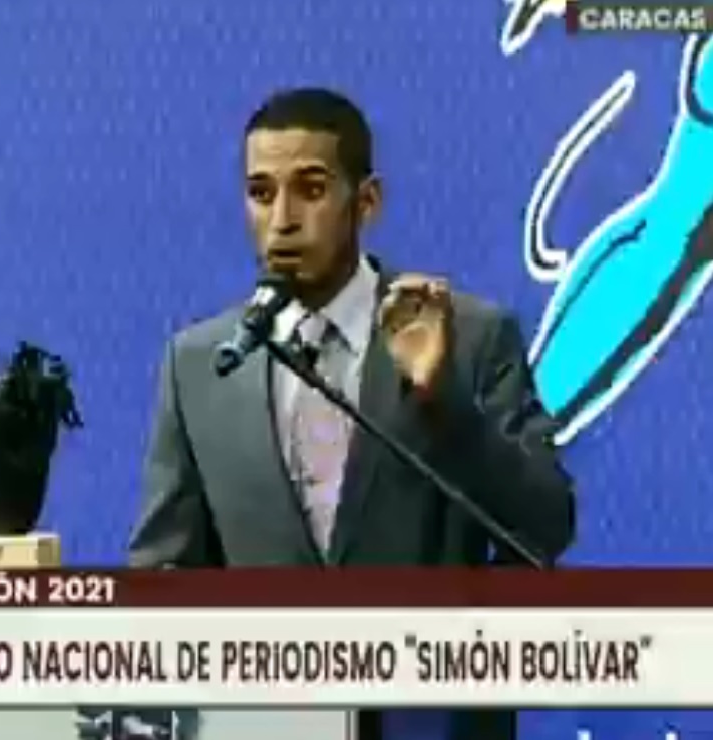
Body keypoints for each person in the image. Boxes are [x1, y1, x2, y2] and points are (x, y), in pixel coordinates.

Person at [128, 87, 576, 740]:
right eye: (260, 193)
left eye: (310, 190)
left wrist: (443, 400)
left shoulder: (470, 337)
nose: (282, 220)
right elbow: (164, 574)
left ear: (367, 201)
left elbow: (547, 524)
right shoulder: (200, 365)